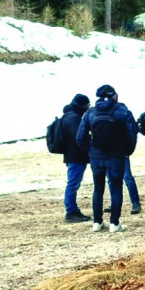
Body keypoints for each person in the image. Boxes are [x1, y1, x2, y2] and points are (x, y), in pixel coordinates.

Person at [75, 84, 138, 233]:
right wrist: (126, 151)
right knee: (116, 188)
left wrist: (90, 152)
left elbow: (80, 137)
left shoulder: (90, 112)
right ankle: (114, 223)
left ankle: (97, 222)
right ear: (114, 96)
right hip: (116, 156)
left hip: (96, 157)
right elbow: (132, 135)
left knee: (98, 188)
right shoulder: (123, 111)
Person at [57, 93, 92, 223]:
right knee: (73, 184)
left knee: (73, 183)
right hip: (76, 156)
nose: (88, 108)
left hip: (71, 155)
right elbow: (79, 137)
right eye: (87, 106)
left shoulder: (67, 116)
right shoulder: (74, 119)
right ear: (81, 105)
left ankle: (72, 210)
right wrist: (88, 150)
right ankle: (71, 211)